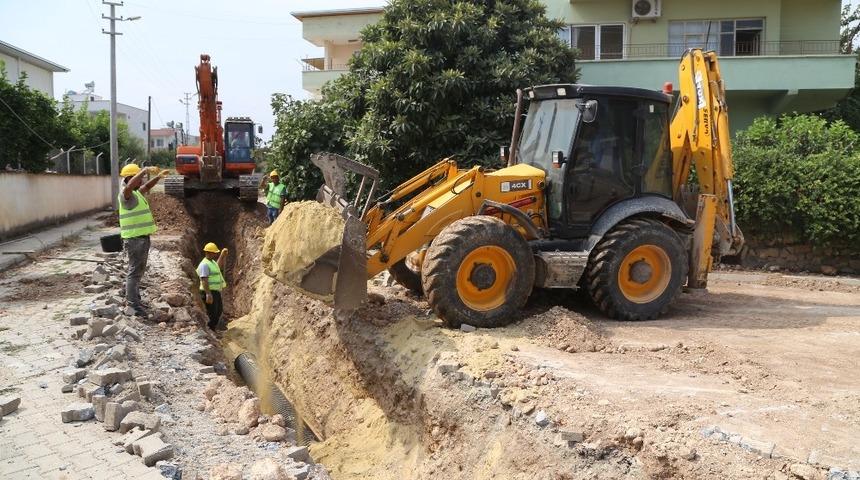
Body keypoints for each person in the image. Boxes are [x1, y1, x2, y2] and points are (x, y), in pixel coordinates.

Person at [118, 163, 168, 317]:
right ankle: (134, 306)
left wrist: (158, 178)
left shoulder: (136, 193)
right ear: (130, 178)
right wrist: (144, 170)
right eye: (139, 177)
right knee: (134, 273)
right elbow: (130, 185)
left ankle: (135, 299)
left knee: (138, 272)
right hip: (135, 240)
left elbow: (145, 187)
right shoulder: (126, 194)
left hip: (140, 238)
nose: (141, 180)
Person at [198, 242, 228, 330]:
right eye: (214, 253)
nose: (216, 254)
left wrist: (222, 256)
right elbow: (204, 279)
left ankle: (213, 328)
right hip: (209, 291)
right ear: (209, 252)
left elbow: (217, 267)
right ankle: (211, 329)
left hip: (215, 291)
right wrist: (208, 294)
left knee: (218, 311)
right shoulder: (204, 264)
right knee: (212, 313)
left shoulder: (212, 262)